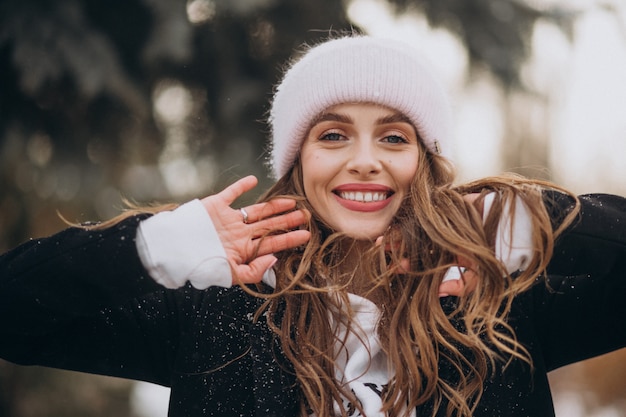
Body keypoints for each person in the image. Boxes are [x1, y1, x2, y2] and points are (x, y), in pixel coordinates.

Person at [1, 35, 626, 417]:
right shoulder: (221, 313)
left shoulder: (500, 306)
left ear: (424, 162)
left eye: (393, 136)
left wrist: (534, 227)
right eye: (332, 135)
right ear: (297, 164)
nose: (364, 158)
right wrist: (148, 249)